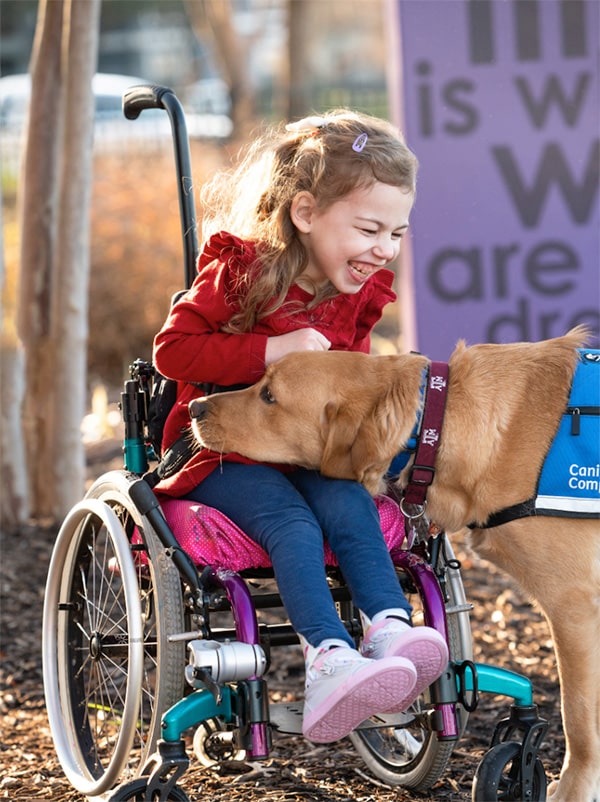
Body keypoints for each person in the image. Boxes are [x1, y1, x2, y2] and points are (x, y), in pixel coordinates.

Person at [152, 109, 448, 743]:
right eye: (369, 228)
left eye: (397, 232)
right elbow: (172, 351)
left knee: (346, 498)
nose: (385, 249)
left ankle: (389, 627)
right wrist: (269, 353)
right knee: (292, 520)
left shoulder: (357, 296)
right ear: (306, 212)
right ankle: (328, 661)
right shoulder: (242, 274)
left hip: (303, 451)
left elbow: (350, 389)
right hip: (218, 451)